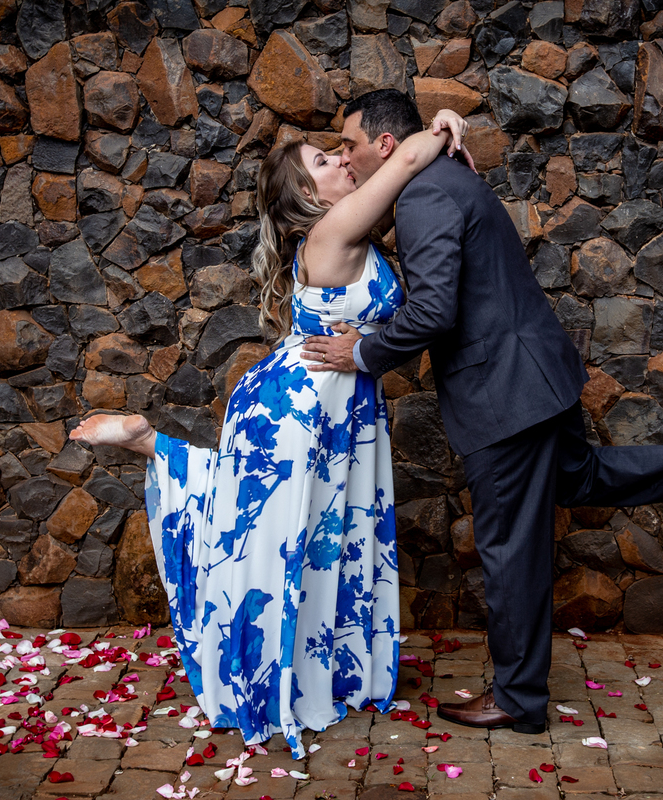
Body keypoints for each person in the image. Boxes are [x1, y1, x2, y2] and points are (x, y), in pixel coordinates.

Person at [303, 88, 663, 735]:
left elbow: (434, 313)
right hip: (538, 378)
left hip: (505, 397)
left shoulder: (423, 198)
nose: (344, 157)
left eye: (347, 145)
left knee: (510, 547)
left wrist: (363, 351)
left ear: (384, 144)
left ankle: (518, 697)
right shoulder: (444, 178)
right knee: (580, 478)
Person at [69, 110, 471, 757]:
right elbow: (402, 163)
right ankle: (150, 443)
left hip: (332, 412)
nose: (342, 161)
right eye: (323, 162)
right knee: (272, 546)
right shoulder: (331, 232)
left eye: (337, 155)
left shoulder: (357, 228)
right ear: (310, 199)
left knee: (319, 541)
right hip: (295, 411)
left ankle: (322, 672)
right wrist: (446, 127)